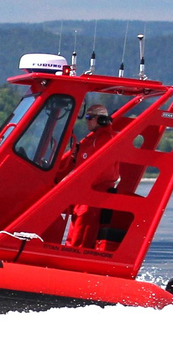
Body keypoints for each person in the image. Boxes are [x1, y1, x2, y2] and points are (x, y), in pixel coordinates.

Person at [65, 104, 120, 249]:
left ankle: (75, 262)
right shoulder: (91, 139)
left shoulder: (107, 138)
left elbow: (101, 170)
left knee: (81, 238)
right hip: (82, 195)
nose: (87, 121)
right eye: (86, 117)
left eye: (90, 117)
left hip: (93, 195)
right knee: (73, 234)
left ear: (101, 120)